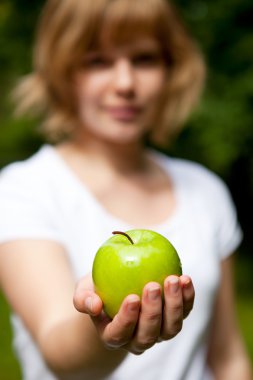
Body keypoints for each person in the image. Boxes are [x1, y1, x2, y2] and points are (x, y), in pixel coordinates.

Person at [0, 0, 252, 379]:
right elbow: (57, 349)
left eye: (145, 59)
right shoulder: (24, 190)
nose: (125, 84)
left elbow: (228, 355)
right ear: (63, 70)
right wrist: (106, 333)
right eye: (97, 61)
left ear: (171, 68)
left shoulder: (205, 191)